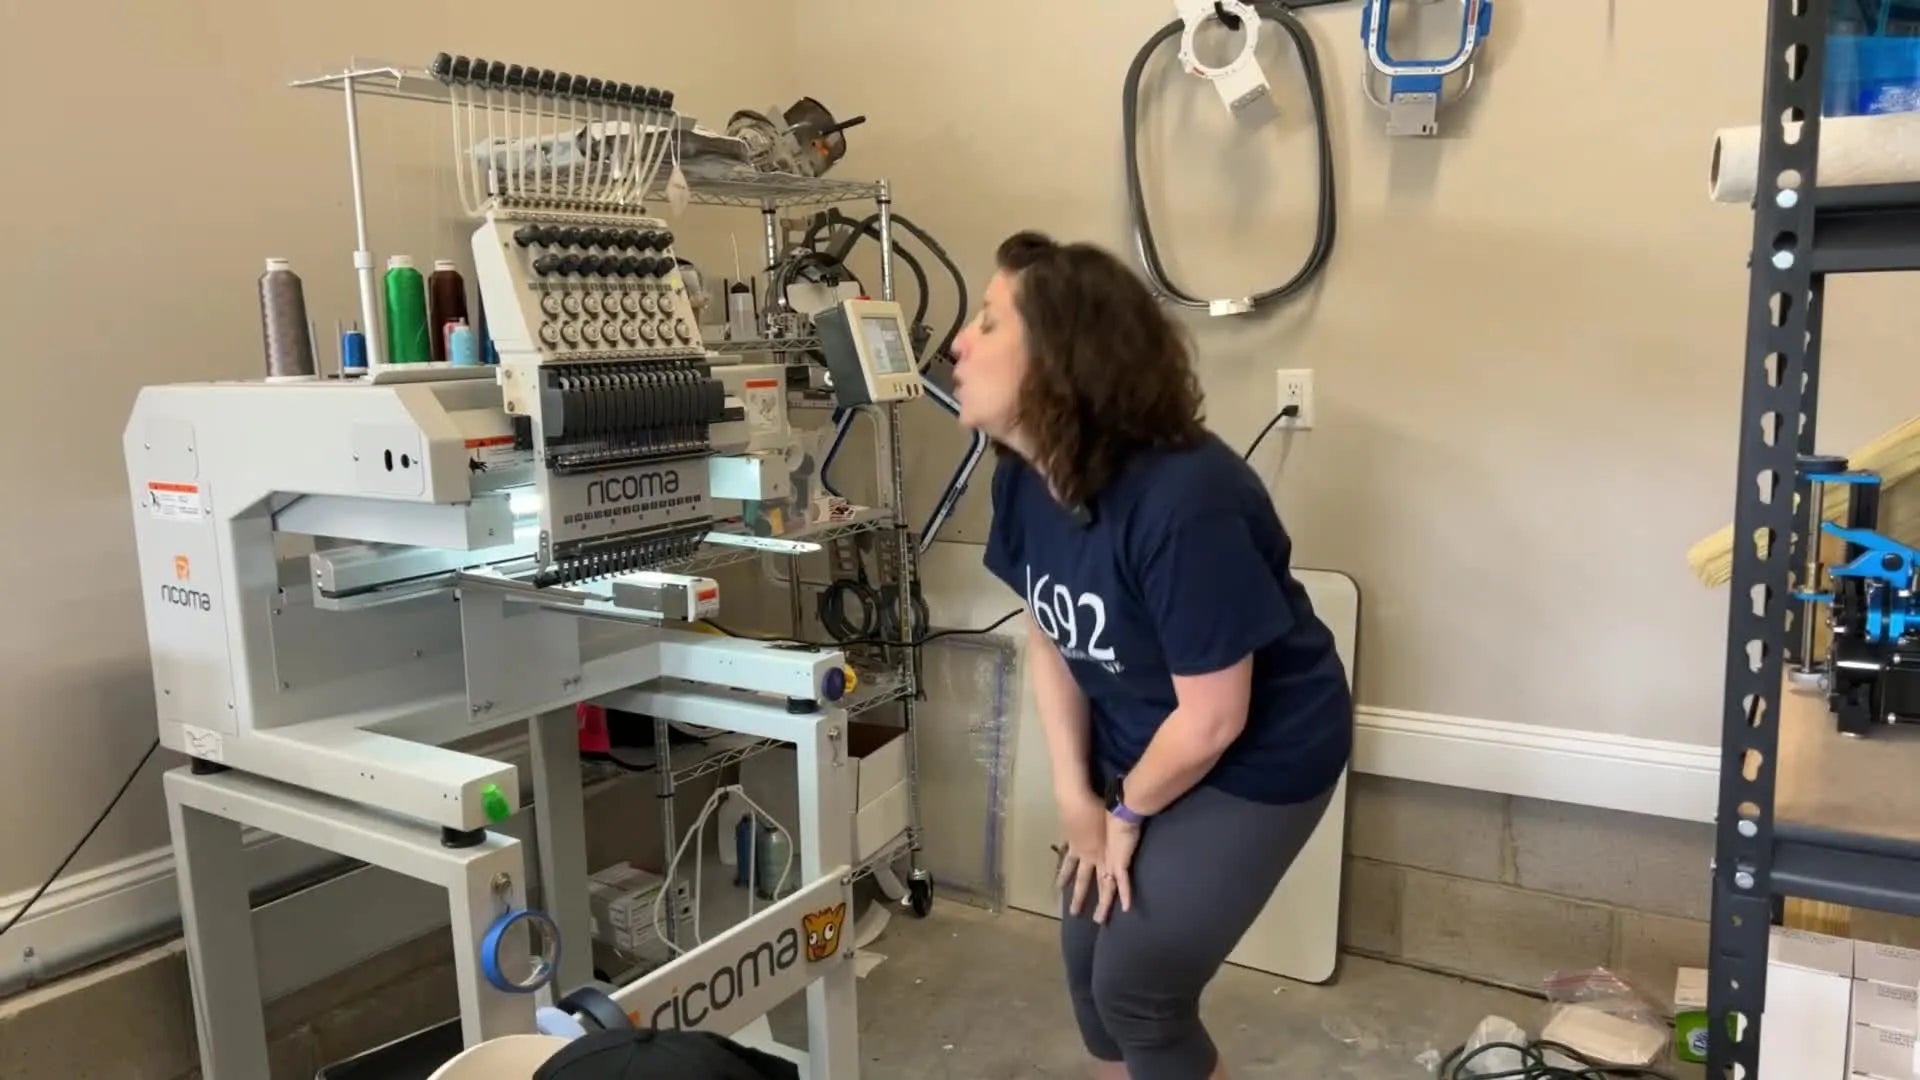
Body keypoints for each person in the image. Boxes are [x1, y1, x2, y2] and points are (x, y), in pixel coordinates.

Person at [949, 230, 1353, 1080]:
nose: (958, 341)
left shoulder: (1183, 498)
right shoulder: (1025, 473)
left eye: (988, 323)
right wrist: (1074, 797)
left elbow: (1213, 719)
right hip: (1147, 740)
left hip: (1258, 755)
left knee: (1137, 982)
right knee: (1083, 953)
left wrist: (1124, 815)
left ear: (1061, 355)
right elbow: (1050, 632)